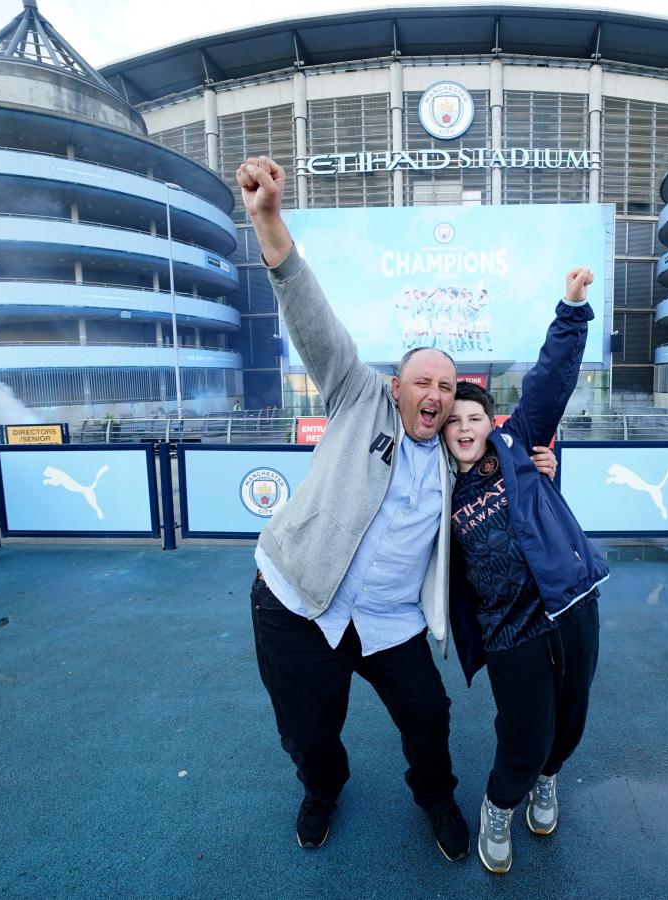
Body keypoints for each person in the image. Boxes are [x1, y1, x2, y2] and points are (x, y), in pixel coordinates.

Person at [237, 156, 557, 859]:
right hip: (297, 601)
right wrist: (267, 218)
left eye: (446, 384)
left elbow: (510, 489)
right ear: (396, 386)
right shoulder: (356, 395)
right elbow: (310, 313)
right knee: (309, 727)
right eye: (422, 380)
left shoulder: (457, 453)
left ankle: (434, 798)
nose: (435, 393)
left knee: (428, 713)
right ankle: (322, 788)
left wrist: (539, 470)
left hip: (389, 620)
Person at [441, 266, 609, 874]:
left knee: (570, 720)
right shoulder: (434, 488)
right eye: (454, 421)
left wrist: (571, 309)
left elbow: (548, 381)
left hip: (569, 604)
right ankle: (499, 803)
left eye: (474, 418)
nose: (464, 428)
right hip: (509, 629)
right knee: (525, 732)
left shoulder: (520, 451)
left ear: (491, 426)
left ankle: (548, 779)